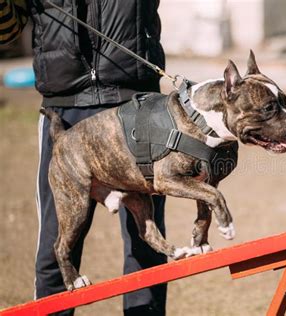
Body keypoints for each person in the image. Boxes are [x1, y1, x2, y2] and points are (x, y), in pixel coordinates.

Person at [0, 1, 168, 315]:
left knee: (146, 241)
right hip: (63, 112)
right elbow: (6, 34)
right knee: (57, 246)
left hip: (136, 106)